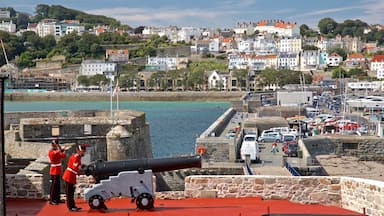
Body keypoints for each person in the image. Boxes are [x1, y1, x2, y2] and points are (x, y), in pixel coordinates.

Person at [62, 144, 87, 212]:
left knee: (71, 192)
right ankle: (70, 207)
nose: (84, 152)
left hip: (71, 175)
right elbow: (74, 167)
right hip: (69, 176)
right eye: (83, 151)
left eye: (84, 151)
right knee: (69, 193)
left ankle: (72, 206)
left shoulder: (78, 157)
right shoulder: (76, 157)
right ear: (78, 151)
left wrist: (81, 166)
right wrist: (81, 168)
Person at [48, 138, 66, 205]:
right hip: (54, 170)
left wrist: (62, 150)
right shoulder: (51, 152)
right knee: (53, 186)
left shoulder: (57, 151)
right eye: (55, 145)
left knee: (58, 185)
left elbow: (63, 156)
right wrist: (60, 149)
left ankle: (57, 199)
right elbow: (53, 156)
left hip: (58, 169)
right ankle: (52, 199)